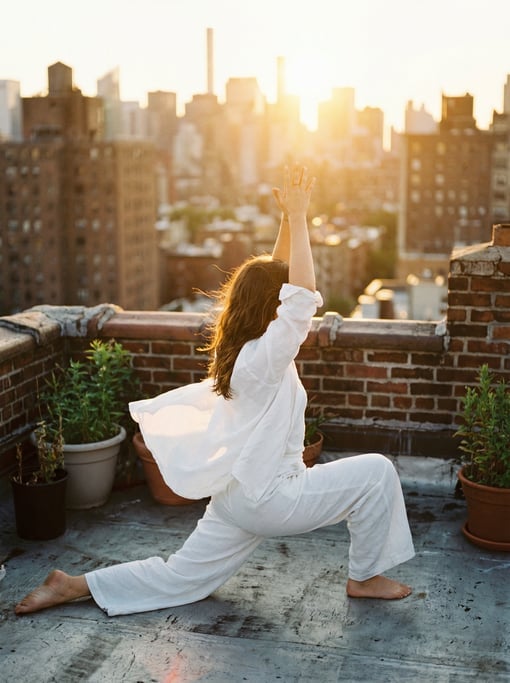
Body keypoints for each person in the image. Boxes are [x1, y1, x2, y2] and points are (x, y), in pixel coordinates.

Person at [15, 165, 414, 617]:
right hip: (273, 497)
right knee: (377, 473)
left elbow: (281, 281)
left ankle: (72, 584)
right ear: (272, 307)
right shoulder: (265, 358)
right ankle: (364, 577)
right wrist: (302, 218)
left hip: (236, 495)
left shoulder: (242, 347)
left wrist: (287, 219)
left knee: (181, 578)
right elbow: (301, 297)